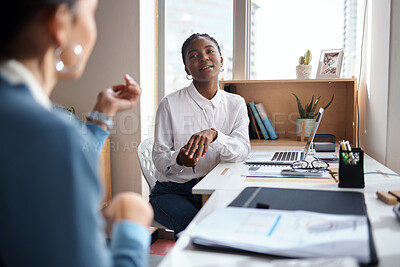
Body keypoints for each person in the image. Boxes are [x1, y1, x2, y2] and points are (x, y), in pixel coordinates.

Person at [0, 0, 153, 266]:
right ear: (59, 22)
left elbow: (45, 161)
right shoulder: (51, 134)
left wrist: (103, 112)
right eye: (91, 12)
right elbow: (53, 147)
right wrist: (132, 226)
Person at [150, 33, 250, 237]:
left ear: (221, 61)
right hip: (173, 192)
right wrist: (178, 159)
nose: (203, 57)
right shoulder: (170, 104)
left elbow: (242, 151)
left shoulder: (236, 103)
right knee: (197, 231)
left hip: (217, 188)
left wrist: (215, 136)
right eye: (193, 56)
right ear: (187, 68)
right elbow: (159, 159)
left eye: (210, 51)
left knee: (237, 225)